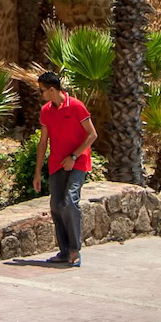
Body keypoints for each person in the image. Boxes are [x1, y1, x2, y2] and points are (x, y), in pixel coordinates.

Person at [34, 70, 95, 267]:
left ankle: (75, 250)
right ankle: (64, 251)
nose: (40, 94)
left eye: (42, 91)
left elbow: (92, 135)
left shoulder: (76, 106)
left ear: (52, 90)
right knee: (56, 206)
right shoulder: (46, 111)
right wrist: (37, 173)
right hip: (56, 164)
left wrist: (74, 156)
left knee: (70, 202)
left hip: (77, 161)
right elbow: (43, 143)